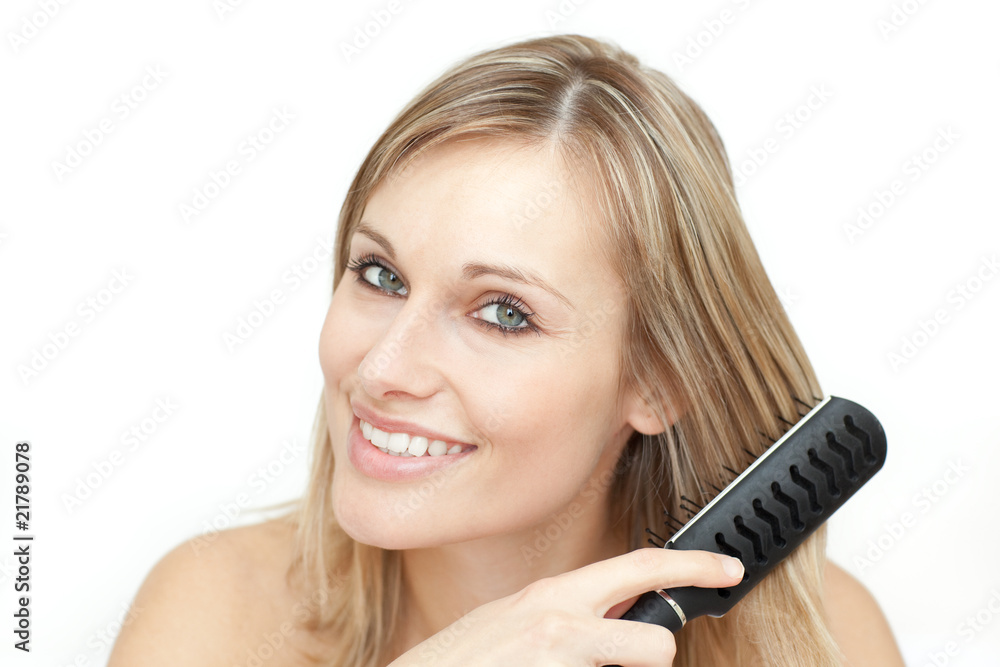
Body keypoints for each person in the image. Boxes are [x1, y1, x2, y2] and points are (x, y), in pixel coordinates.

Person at [109, 34, 905, 666]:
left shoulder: (822, 642)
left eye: (502, 312)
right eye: (380, 274)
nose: (382, 368)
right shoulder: (218, 613)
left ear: (661, 379)